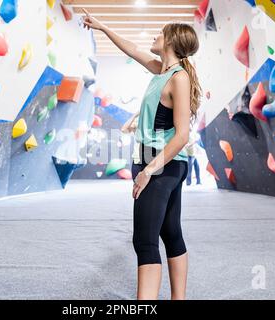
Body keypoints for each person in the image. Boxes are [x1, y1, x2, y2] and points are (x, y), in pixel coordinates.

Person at [82, 9, 202, 300]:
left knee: (144, 240)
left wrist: (149, 170)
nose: (154, 36)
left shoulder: (179, 78)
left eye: (160, 33)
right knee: (169, 231)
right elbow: (132, 48)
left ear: (171, 41)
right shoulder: (161, 71)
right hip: (158, 162)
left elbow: (182, 134)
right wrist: (101, 26)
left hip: (162, 164)